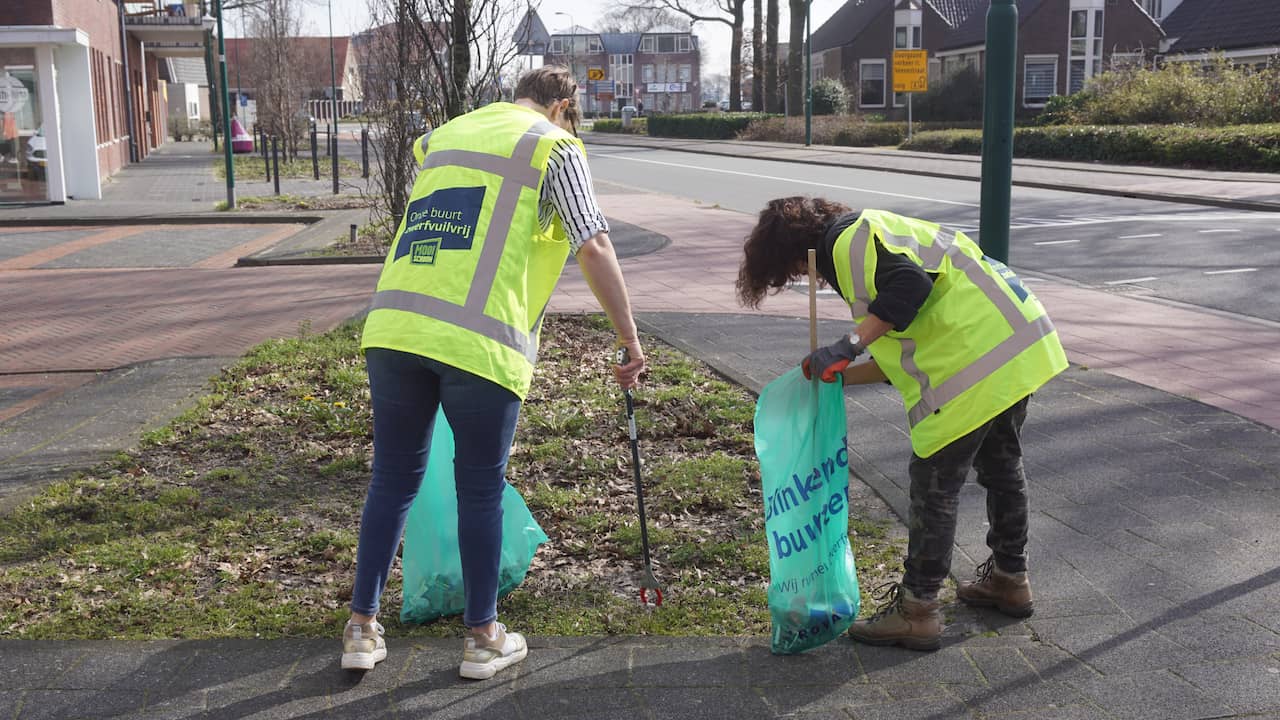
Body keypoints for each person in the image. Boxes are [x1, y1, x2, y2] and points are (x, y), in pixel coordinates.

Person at [343, 65, 646, 679]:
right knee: (479, 488)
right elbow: (593, 244)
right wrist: (630, 339)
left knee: (393, 478)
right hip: (479, 343)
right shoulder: (553, 146)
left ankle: (360, 629)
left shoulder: (448, 136)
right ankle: (482, 639)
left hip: (395, 325)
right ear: (564, 105)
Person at [736, 198, 1067, 651]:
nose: (805, 277)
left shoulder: (846, 241)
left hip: (975, 361)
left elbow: (908, 289)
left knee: (934, 487)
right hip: (1018, 343)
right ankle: (1011, 579)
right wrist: (839, 376)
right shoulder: (880, 231)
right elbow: (905, 335)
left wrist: (848, 345)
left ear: (795, 250)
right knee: (1002, 466)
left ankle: (918, 610)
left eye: (794, 271)